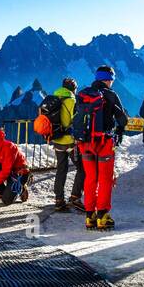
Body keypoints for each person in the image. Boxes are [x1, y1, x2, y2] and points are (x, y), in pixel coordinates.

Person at [73, 64, 128, 230]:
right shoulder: (111, 95)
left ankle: (90, 216)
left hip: (85, 143)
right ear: (109, 79)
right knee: (105, 179)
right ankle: (103, 216)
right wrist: (119, 131)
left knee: (90, 178)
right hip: (104, 142)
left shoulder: (84, 94)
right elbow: (123, 120)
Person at [48, 77, 84, 212]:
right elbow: (76, 121)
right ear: (73, 89)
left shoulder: (53, 98)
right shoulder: (72, 101)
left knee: (61, 169)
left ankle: (59, 200)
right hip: (69, 142)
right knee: (81, 168)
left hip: (56, 140)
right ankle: (75, 197)